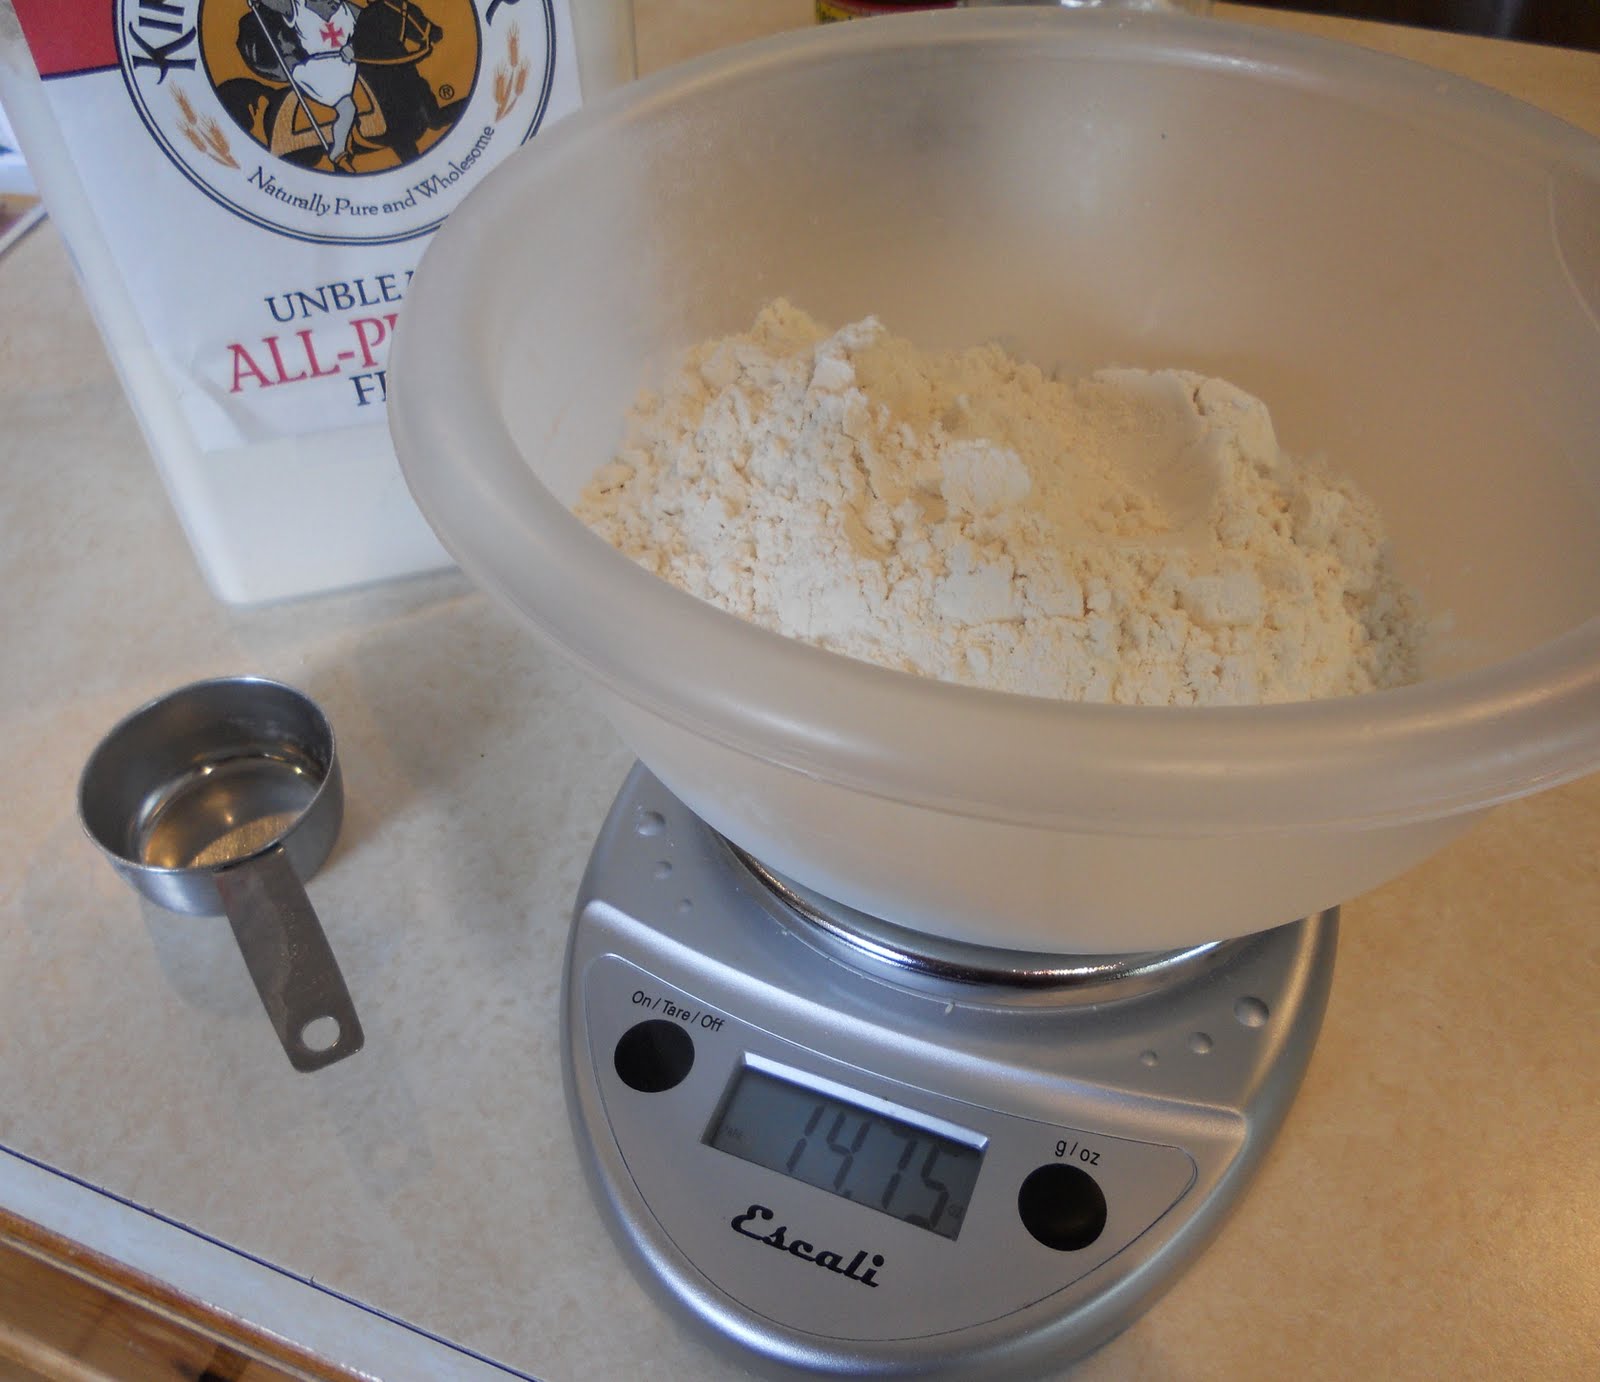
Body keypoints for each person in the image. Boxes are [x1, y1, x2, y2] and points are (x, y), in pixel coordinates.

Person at [238, 0, 364, 170]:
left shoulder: (347, 10)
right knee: (348, 109)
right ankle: (338, 151)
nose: (335, 2)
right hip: (318, 70)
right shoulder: (297, 8)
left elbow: (372, 24)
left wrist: (353, 47)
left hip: (346, 67)